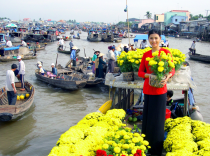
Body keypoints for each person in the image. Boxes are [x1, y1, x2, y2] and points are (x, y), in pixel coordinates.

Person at [138, 29, 175, 156]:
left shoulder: (165, 52)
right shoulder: (146, 54)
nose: (153, 41)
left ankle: (157, 150)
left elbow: (172, 69)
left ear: (160, 39)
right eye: (151, 38)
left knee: (158, 121)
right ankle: (146, 146)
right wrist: (148, 75)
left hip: (160, 90)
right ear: (148, 39)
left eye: (156, 38)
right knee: (148, 119)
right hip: (148, 90)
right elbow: (140, 72)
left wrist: (168, 76)